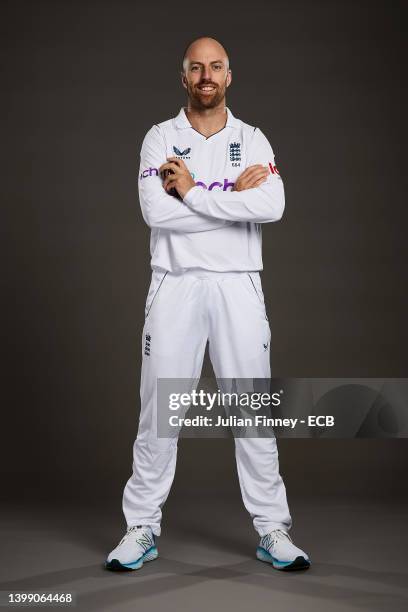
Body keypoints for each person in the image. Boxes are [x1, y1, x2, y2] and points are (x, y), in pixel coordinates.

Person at [106, 36, 310, 572]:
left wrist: (193, 193)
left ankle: (272, 529)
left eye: (215, 67)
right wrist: (234, 204)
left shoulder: (252, 138)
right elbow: (157, 213)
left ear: (229, 75)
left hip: (238, 284)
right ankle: (141, 525)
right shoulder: (160, 139)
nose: (206, 76)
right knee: (159, 410)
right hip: (175, 283)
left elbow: (273, 205)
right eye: (196, 68)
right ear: (184, 77)